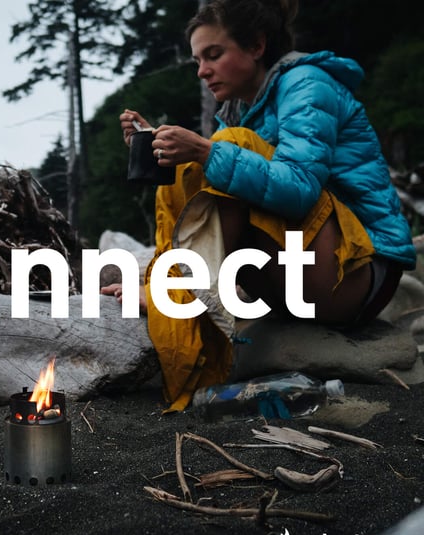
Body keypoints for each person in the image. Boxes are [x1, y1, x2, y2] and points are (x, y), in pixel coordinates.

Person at [101, 0, 416, 412]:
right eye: (197, 60)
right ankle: (174, 292)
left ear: (256, 46)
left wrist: (206, 151)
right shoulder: (238, 111)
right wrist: (158, 147)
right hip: (305, 272)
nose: (202, 70)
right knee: (196, 166)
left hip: (360, 272)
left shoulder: (308, 84)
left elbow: (300, 188)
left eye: (213, 55)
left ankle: (174, 299)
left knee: (223, 152)